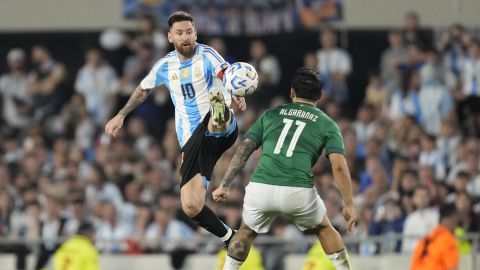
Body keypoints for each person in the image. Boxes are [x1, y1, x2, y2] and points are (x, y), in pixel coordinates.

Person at [105, 11, 246, 247]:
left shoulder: (207, 55)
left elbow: (227, 73)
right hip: (192, 142)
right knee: (191, 206)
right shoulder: (165, 65)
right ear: (171, 37)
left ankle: (220, 111)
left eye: (189, 32)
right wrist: (121, 114)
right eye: (180, 33)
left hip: (220, 129)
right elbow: (142, 90)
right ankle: (230, 237)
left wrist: (238, 93)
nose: (185, 37)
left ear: (196, 33)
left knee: (215, 115)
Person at [212, 67, 355, 270]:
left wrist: (225, 184)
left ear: (292, 92)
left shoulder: (271, 115)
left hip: (261, 187)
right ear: (320, 95)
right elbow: (339, 167)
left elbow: (244, 150)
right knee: (324, 228)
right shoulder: (328, 124)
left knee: (245, 231)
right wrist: (348, 203)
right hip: (298, 191)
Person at [410, 204, 460, 270]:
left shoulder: (425, 239)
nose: (457, 224)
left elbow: (413, 265)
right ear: (448, 219)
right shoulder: (448, 239)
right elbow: (452, 267)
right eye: (456, 219)